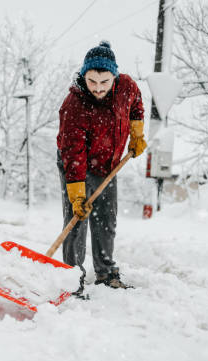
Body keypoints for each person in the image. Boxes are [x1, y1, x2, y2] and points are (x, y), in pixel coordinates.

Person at [56, 41, 147, 290]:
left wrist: (137, 133)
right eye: (92, 81)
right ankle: (71, 277)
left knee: (106, 218)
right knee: (78, 218)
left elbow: (136, 105)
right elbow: (73, 152)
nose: (98, 88)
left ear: (114, 77)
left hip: (108, 163)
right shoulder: (74, 106)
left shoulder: (127, 86)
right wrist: (77, 194)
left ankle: (106, 272)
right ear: (83, 76)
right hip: (77, 165)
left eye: (104, 82)